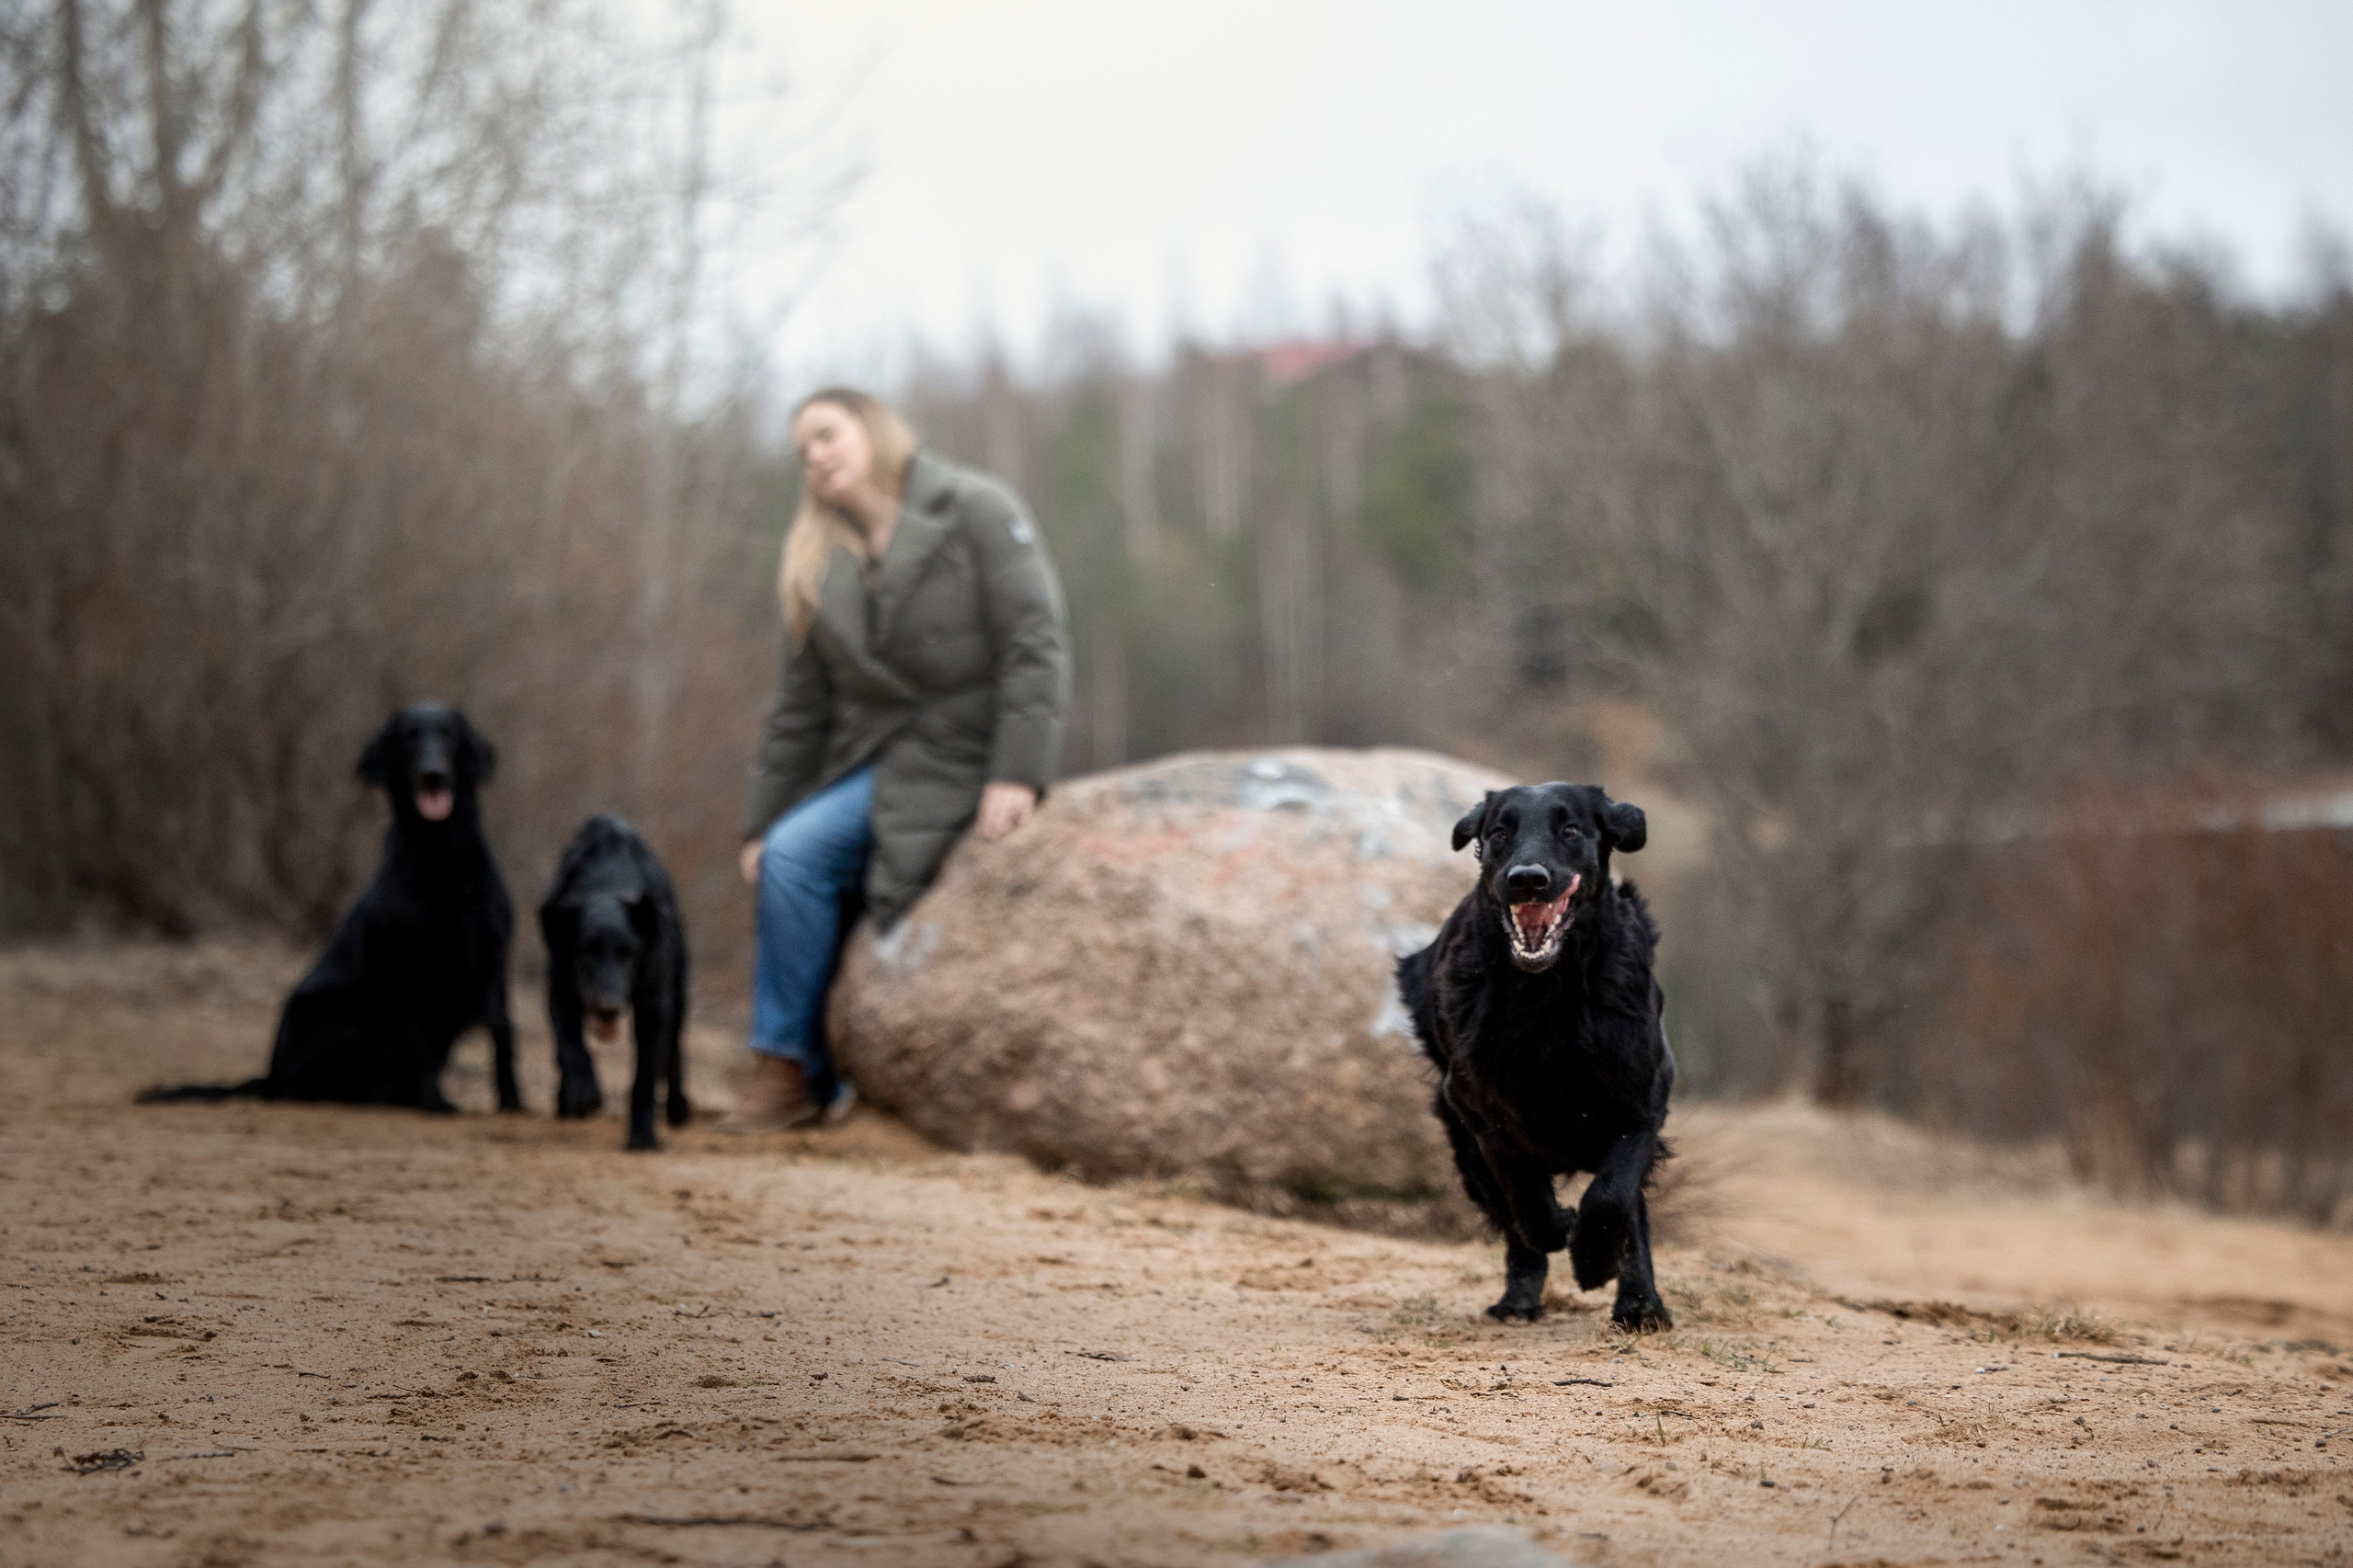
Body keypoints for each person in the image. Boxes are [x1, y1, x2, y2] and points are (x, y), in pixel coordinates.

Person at [722, 389, 1071, 1130]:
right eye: (802, 450)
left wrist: (1018, 769)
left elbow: (1033, 641)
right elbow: (799, 711)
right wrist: (761, 822)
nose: (813, 456)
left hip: (970, 749)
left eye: (826, 435)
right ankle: (788, 1070)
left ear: (873, 430)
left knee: (818, 860)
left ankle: (805, 1069)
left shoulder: (975, 506)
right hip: (873, 759)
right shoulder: (817, 558)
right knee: (789, 854)